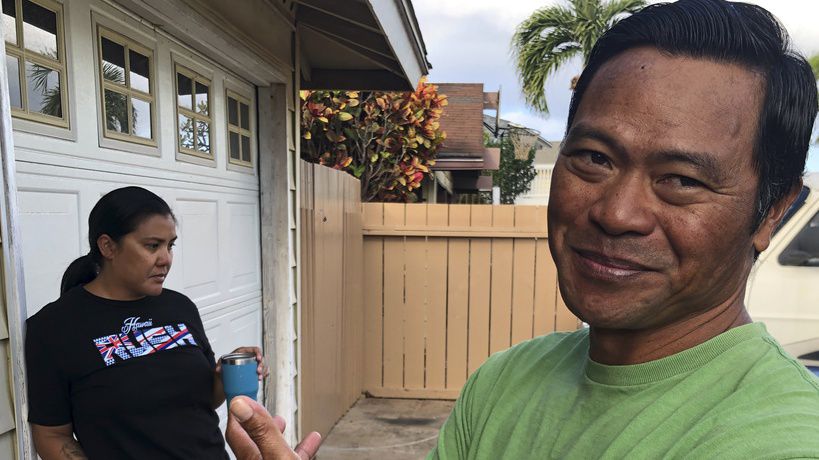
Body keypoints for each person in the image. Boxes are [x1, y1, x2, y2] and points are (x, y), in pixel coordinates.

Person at [25, 186, 268, 459]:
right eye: (152, 246)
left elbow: (204, 402)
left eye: (170, 245)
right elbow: (51, 435)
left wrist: (224, 377)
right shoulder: (53, 328)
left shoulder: (180, 307)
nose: (166, 259)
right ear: (108, 246)